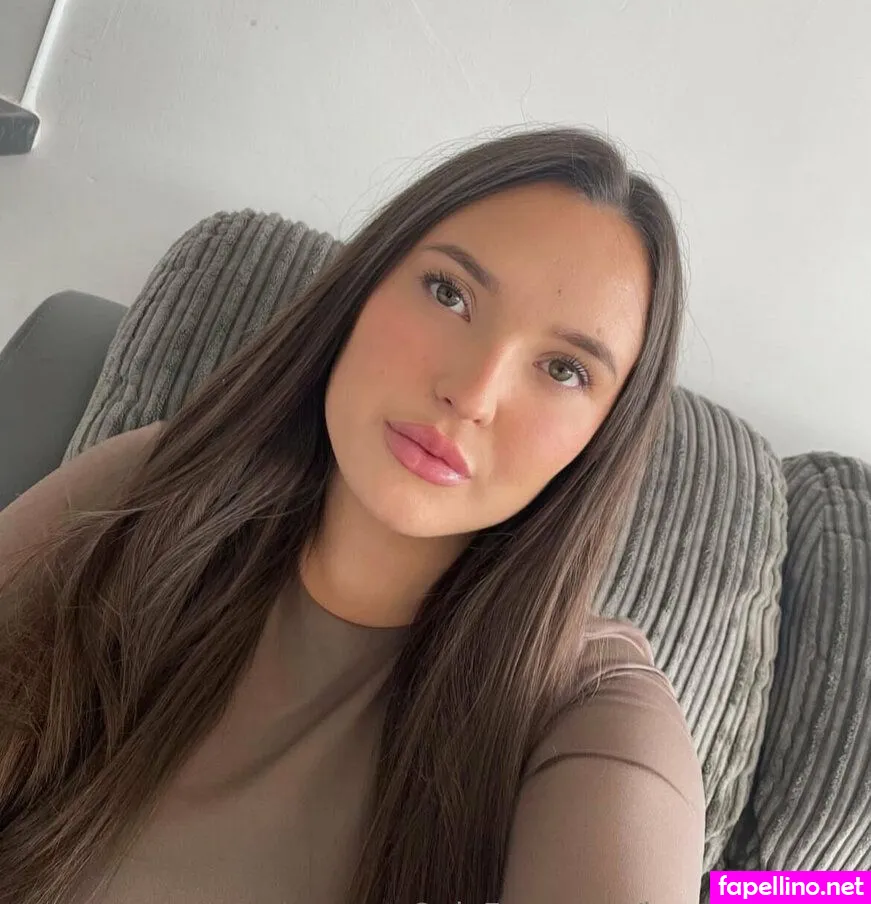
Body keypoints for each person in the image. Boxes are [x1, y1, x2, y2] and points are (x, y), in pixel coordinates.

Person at [0, 126, 705, 904]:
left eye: (564, 370)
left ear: (601, 438)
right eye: (449, 294)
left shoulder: (594, 713)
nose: (471, 394)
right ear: (363, 289)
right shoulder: (156, 483)